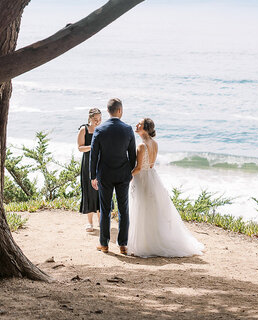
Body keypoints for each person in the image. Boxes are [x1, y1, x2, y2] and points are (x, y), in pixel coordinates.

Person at [128, 118, 204, 258]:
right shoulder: (155, 144)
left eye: (139, 124)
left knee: (141, 209)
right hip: (153, 178)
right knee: (152, 210)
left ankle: (144, 244)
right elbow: (151, 165)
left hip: (142, 179)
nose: (136, 125)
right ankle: (152, 241)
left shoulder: (141, 146)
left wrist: (127, 176)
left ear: (144, 128)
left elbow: (138, 168)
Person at [90, 97, 136, 254]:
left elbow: (94, 155)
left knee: (105, 210)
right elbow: (133, 155)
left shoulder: (100, 130)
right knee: (124, 209)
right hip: (123, 174)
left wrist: (92, 176)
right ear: (120, 110)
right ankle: (123, 244)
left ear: (108, 111)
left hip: (105, 174)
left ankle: (104, 244)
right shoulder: (128, 129)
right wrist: (129, 171)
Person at [77, 108, 102, 231]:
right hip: (87, 163)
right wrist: (92, 147)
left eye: (100, 119)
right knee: (89, 191)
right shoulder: (84, 130)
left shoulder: (101, 130)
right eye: (95, 119)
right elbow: (80, 148)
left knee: (100, 191)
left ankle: (101, 222)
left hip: (100, 164)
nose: (98, 122)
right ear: (90, 118)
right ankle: (90, 222)